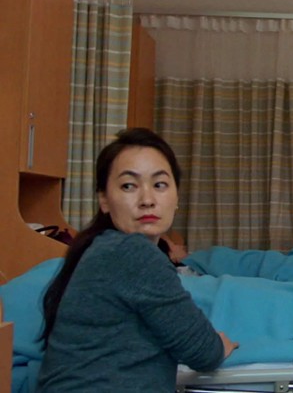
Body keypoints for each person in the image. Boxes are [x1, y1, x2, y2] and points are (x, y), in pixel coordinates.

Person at [37, 128, 238, 392]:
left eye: (159, 185)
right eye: (129, 186)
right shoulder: (131, 252)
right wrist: (220, 344)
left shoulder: (105, 247)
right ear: (104, 200)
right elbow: (204, 352)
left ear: (176, 197)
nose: (147, 200)